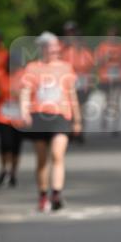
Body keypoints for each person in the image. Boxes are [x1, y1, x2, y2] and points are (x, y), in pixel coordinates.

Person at [20, 32, 82, 212]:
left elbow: (71, 94)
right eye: (51, 47)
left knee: (57, 155)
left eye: (56, 46)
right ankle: (42, 195)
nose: (55, 50)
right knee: (42, 160)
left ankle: (56, 194)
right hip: (39, 116)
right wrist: (24, 111)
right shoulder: (32, 67)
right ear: (42, 48)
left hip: (61, 116)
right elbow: (25, 91)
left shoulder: (66, 67)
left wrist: (77, 119)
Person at [62, 21, 95, 141]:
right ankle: (72, 131)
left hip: (83, 83)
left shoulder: (86, 52)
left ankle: (79, 131)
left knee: (81, 107)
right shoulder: (66, 51)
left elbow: (91, 67)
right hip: (70, 82)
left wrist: (90, 83)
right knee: (71, 107)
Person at [0, 61, 24, 186]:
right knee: (5, 144)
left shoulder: (23, 75)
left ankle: (13, 172)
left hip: (18, 118)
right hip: (3, 116)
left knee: (16, 146)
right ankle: (4, 169)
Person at [95, 26, 121, 133]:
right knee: (108, 100)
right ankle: (105, 119)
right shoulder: (102, 46)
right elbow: (97, 62)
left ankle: (115, 125)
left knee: (117, 100)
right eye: (111, 36)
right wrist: (106, 57)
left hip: (120, 78)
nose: (113, 38)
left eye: (115, 36)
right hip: (106, 78)